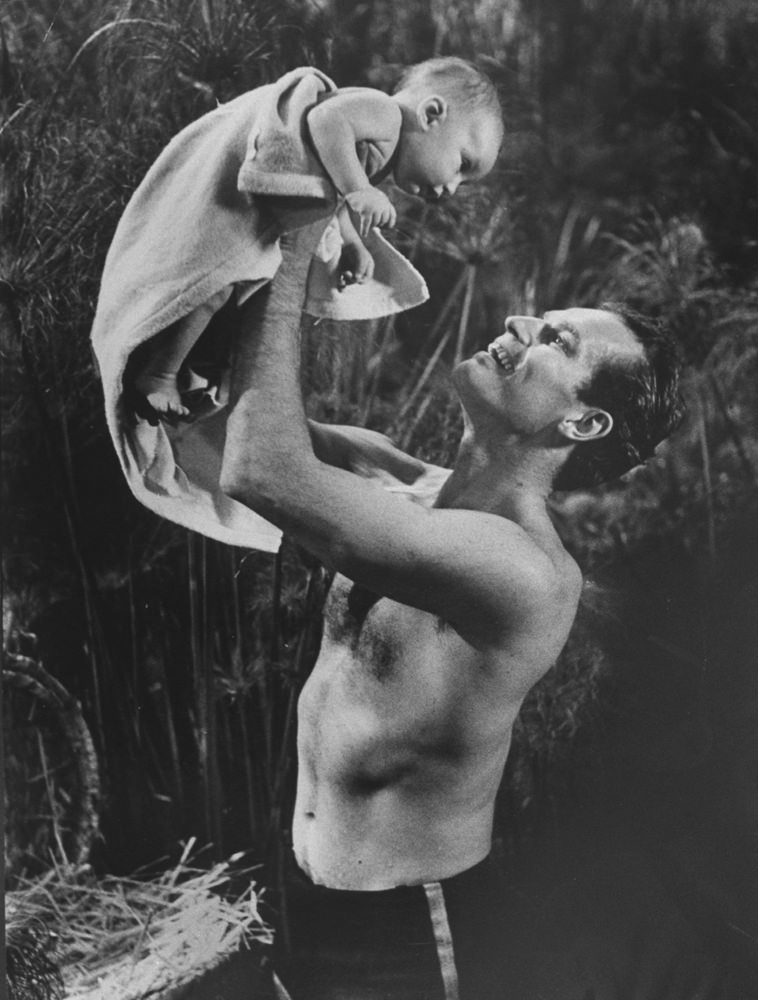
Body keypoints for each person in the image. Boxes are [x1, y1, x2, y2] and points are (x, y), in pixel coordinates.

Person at [214, 217, 684, 999]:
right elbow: (220, 430)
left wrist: (295, 229)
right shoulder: (405, 489)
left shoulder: (522, 572)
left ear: (582, 422)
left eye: (557, 342)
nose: (520, 324)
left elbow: (258, 466)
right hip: (302, 900)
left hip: (404, 936)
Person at [130, 56, 503, 419]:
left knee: (239, 301)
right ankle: (160, 374)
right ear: (431, 114)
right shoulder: (385, 113)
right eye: (462, 165)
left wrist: (353, 243)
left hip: (274, 223)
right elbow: (325, 119)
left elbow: (329, 190)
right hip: (235, 203)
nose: (452, 189)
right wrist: (360, 188)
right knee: (215, 286)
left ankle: (199, 375)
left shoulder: (380, 149)